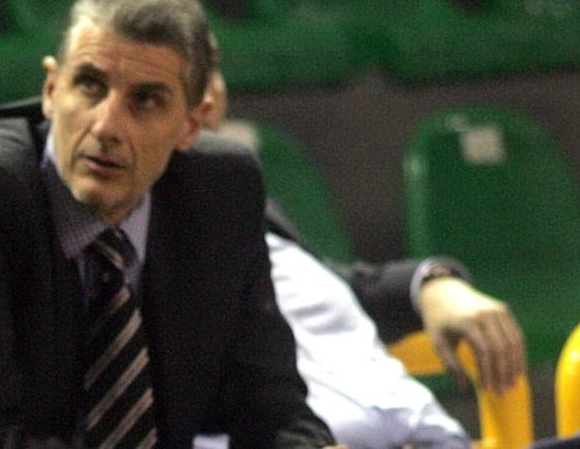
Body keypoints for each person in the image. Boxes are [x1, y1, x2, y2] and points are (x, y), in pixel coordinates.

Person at [0, 0, 338, 447]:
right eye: (89, 85)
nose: (106, 126)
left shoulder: (219, 190)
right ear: (50, 89)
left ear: (192, 123)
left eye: (145, 101)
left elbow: (271, 407)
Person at [192, 39, 526, 448]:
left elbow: (339, 291)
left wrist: (432, 284)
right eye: (186, 77)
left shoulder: (247, 205)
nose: (208, 96)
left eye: (211, 71)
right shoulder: (142, 257)